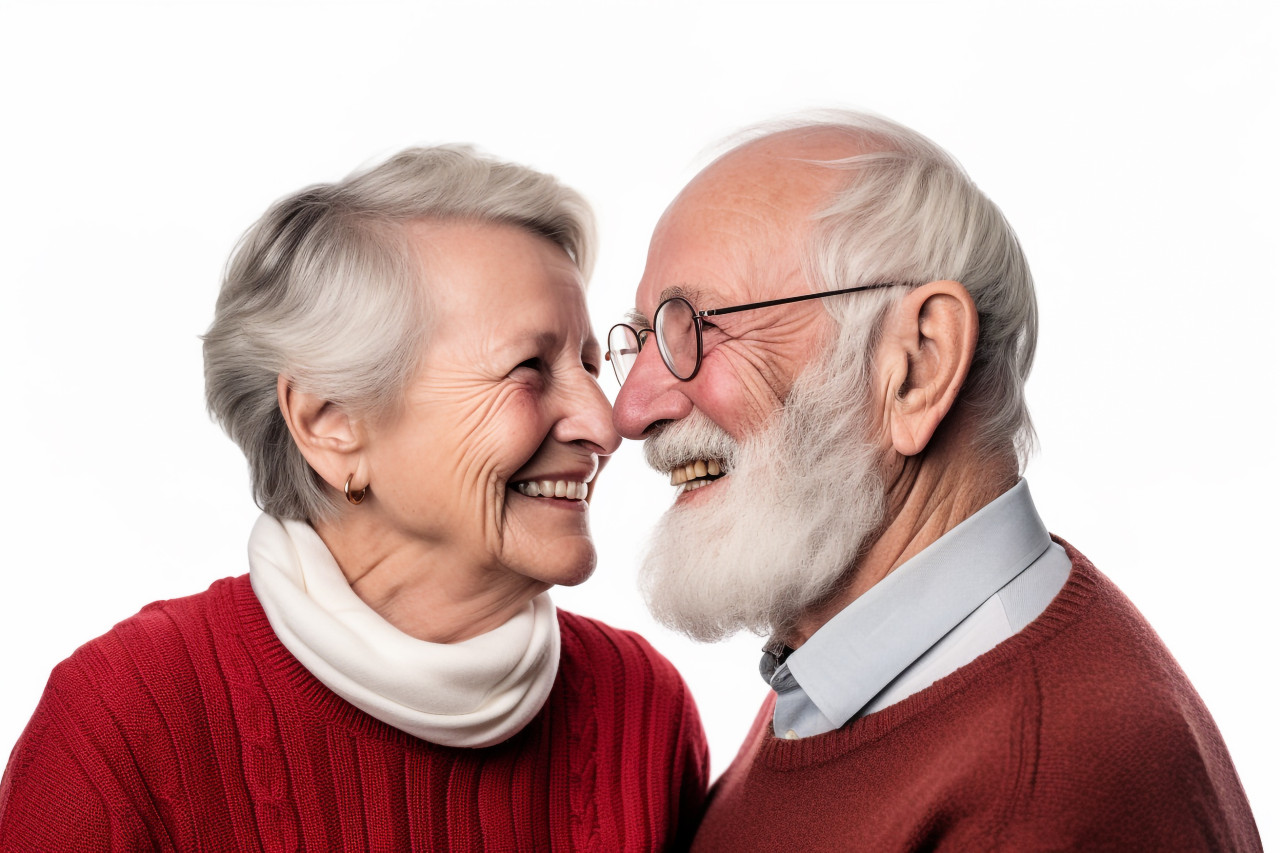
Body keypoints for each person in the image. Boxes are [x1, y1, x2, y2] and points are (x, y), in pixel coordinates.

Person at [0, 146, 708, 850]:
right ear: (329, 421)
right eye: (528, 367)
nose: (604, 424)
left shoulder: (642, 711)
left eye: (589, 365)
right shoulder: (124, 719)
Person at [606, 111, 1261, 850]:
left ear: (918, 365)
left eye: (698, 326)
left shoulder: (1044, 791)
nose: (630, 410)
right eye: (645, 337)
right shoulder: (838, 667)